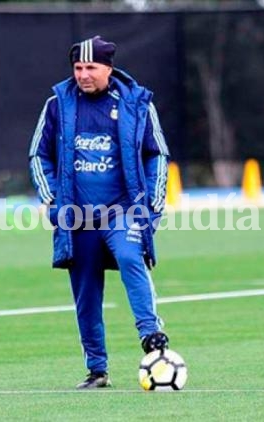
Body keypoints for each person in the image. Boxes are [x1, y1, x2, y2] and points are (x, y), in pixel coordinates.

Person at [28, 36, 171, 389]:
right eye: (78, 68)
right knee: (86, 292)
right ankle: (97, 369)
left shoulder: (137, 103)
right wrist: (51, 200)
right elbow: (37, 154)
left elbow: (158, 154)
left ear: (108, 67)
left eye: (91, 67)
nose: (83, 75)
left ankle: (152, 336)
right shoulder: (57, 105)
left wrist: (153, 201)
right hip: (76, 216)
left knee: (129, 257)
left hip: (123, 209)